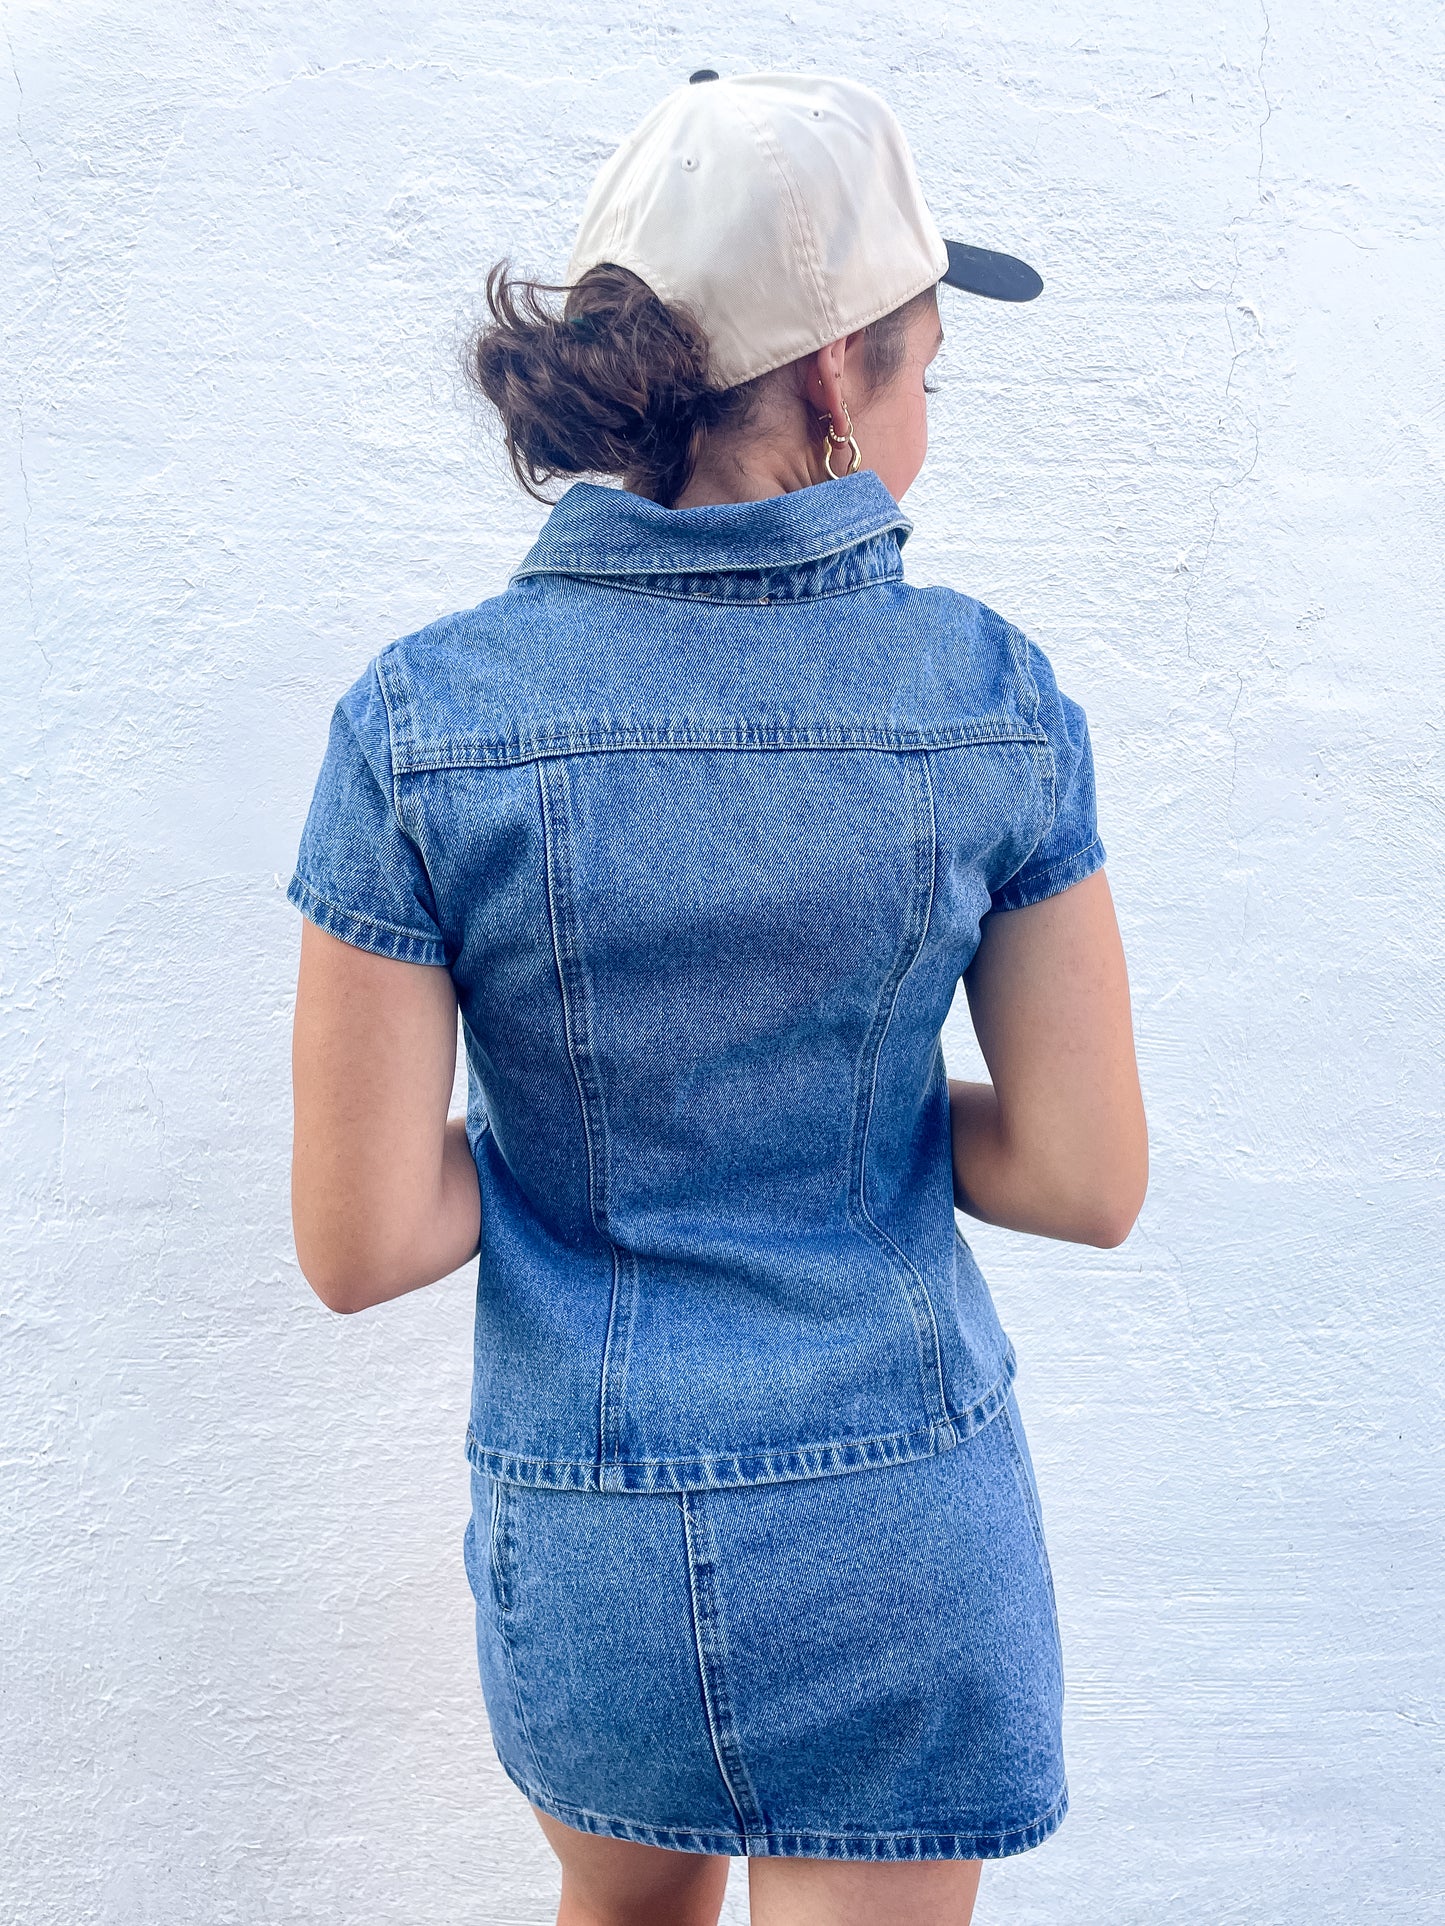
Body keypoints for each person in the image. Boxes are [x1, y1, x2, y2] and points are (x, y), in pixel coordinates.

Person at [286, 70, 1148, 1926]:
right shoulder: (987, 696)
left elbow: (363, 1237)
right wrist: (837, 1117)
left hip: (591, 1523)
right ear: (836, 380)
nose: (924, 415)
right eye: (921, 369)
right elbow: (1084, 1176)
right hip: (896, 1505)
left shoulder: (421, 724)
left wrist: (597, 1137)